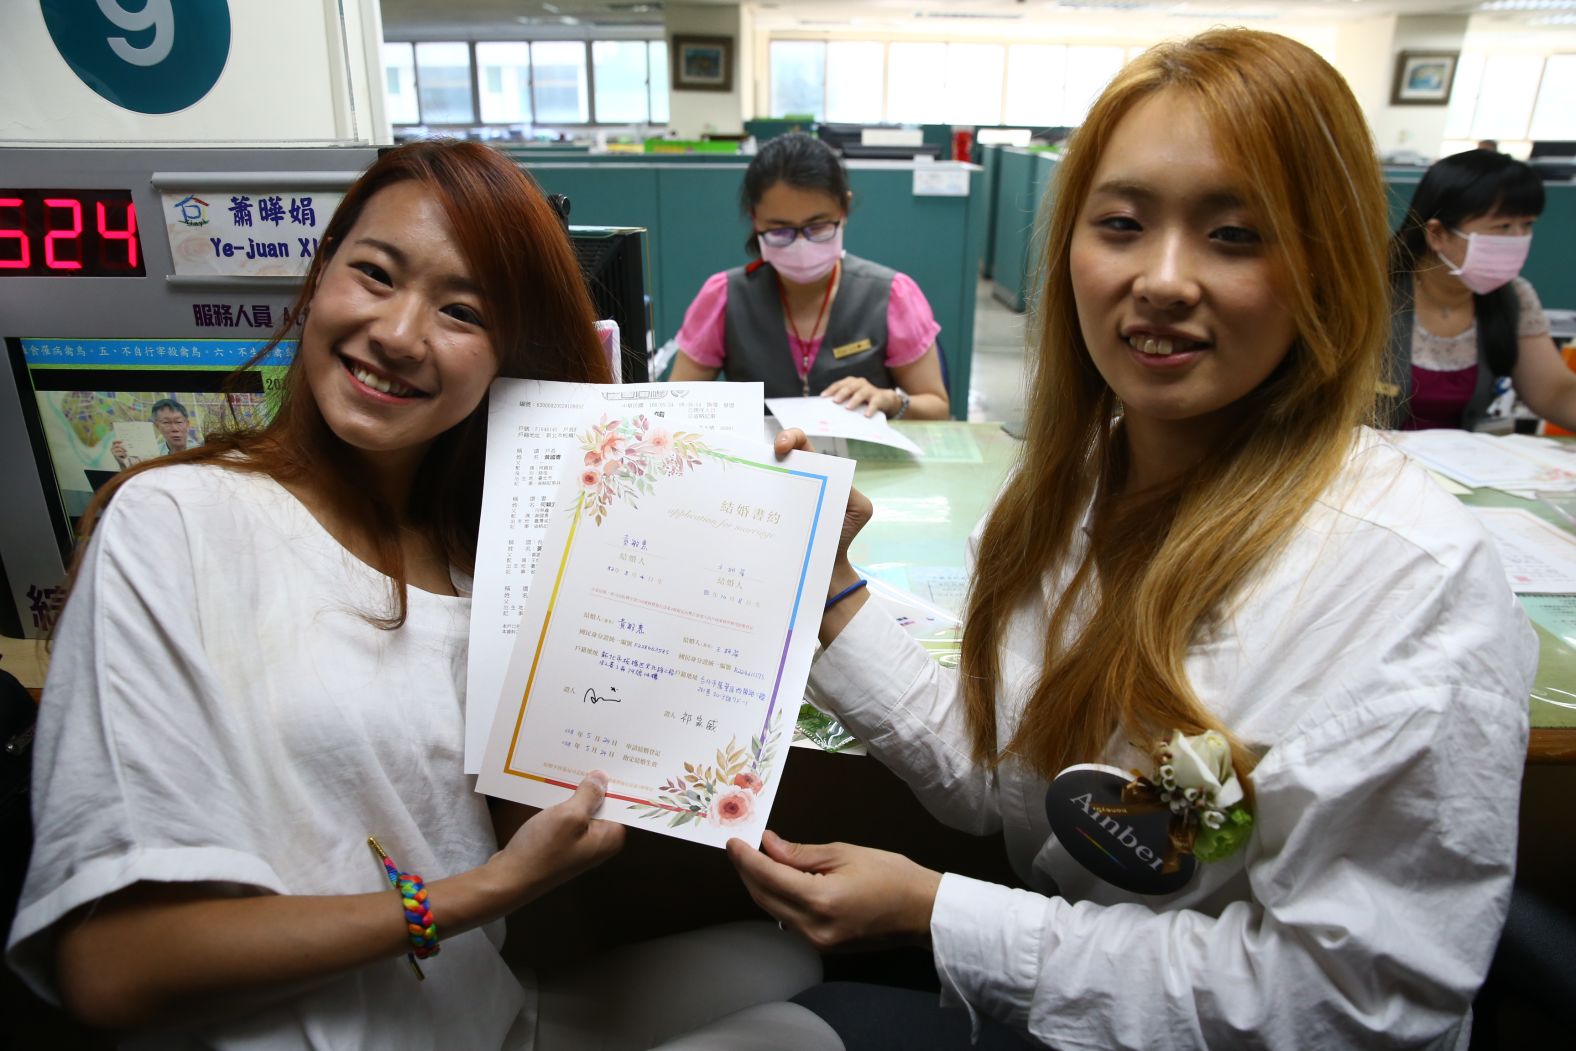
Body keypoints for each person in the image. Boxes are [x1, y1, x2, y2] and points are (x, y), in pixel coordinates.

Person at [730, 29, 1534, 1051]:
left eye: (1233, 235)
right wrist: (829, 588)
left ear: (1325, 265)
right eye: (1119, 223)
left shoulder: (1409, 584)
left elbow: (1348, 1007)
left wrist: (944, 914)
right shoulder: (1066, 493)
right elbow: (1004, 773)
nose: (1159, 279)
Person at [6, 141, 838, 1051]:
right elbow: (113, 967)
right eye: (374, 274)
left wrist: (737, 557)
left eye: (461, 312)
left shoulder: (479, 552)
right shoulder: (175, 518)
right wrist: (485, 894)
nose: (400, 333)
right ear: (319, 276)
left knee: (791, 962)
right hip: (327, 1024)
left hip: (467, 1007)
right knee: (804, 1037)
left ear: (504, 359)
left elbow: (532, 815)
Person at [670, 132, 951, 420]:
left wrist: (892, 401)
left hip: (861, 462)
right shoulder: (724, 297)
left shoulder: (891, 295)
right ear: (756, 219)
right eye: (780, 230)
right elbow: (674, 409)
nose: (800, 245)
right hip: (767, 462)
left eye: (817, 227)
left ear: (843, 210)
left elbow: (937, 408)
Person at [1385, 149, 1576, 430]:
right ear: (1437, 234)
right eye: (1503, 226)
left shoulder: (1513, 297)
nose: (1518, 239)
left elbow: (1554, 391)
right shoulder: (1374, 293)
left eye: (1527, 225)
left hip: (1462, 466)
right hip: (1370, 463)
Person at [110, 396, 203, 468]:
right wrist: (122, 464)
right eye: (166, 422)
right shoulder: (152, 455)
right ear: (157, 426)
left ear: (187, 424)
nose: (174, 428)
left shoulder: (202, 452)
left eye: (178, 422)